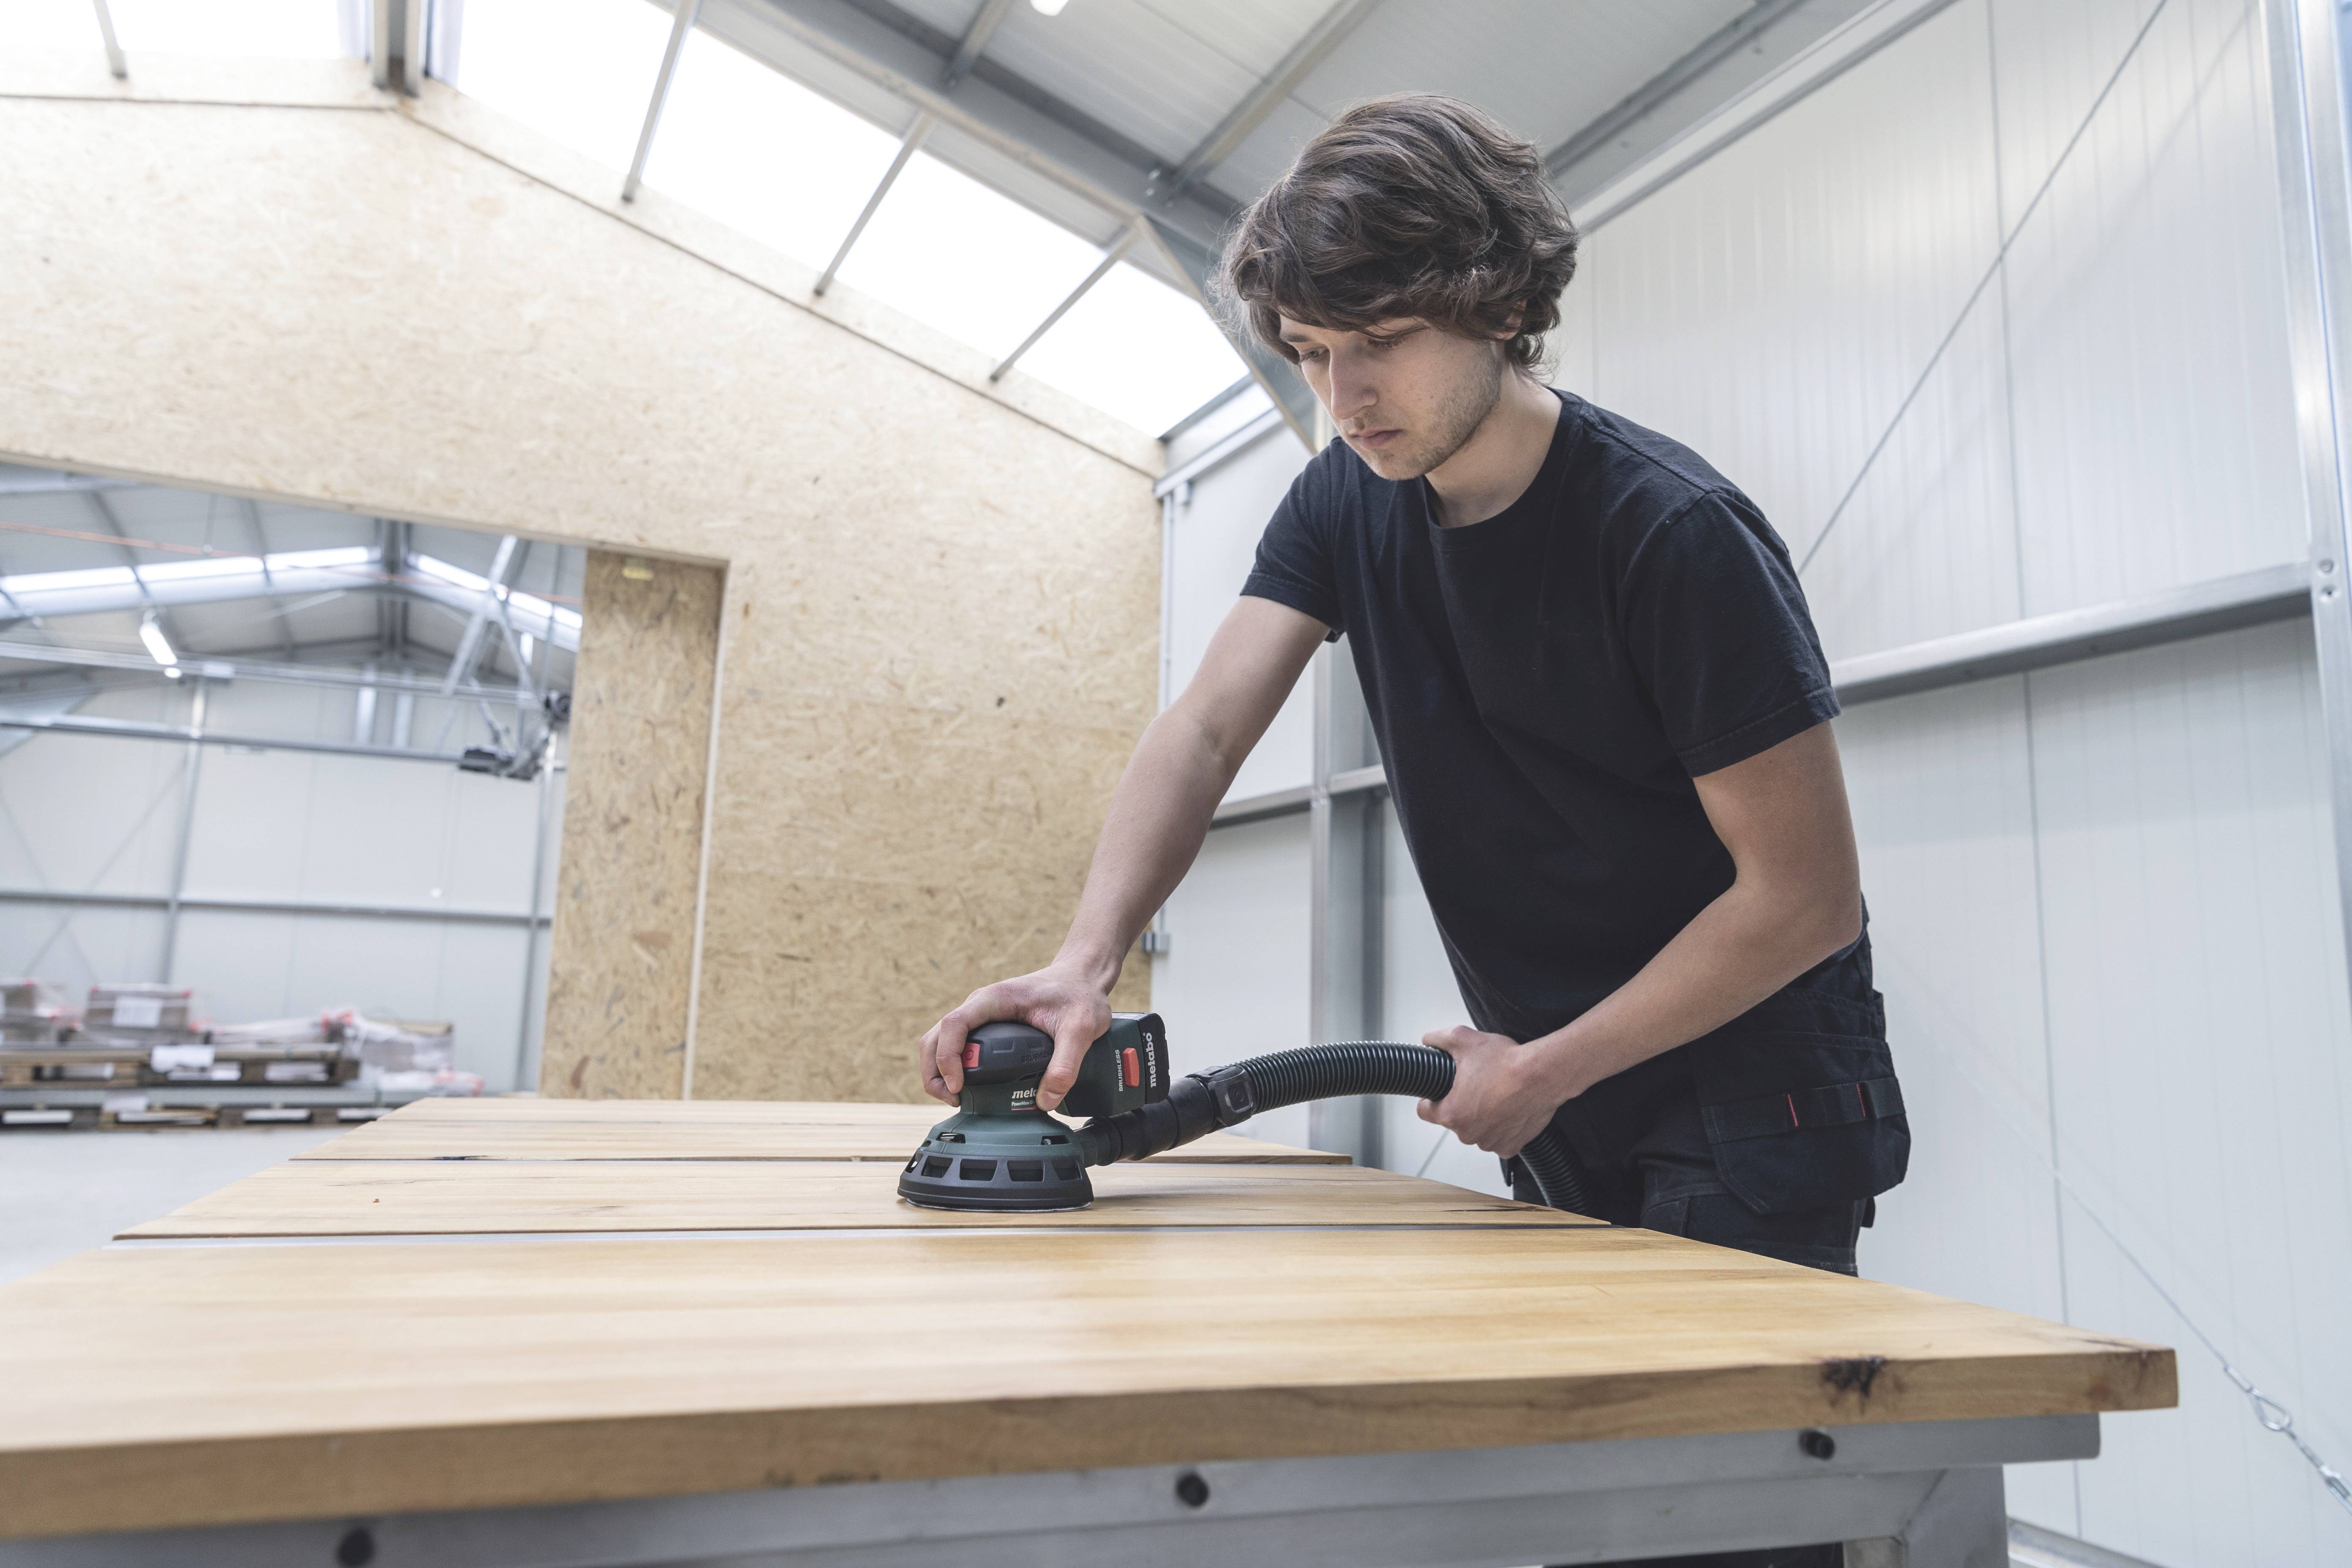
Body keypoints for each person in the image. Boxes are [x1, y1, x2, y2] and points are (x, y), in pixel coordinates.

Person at [917, 94, 1908, 1568]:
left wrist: (1552, 1066)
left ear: (1496, 299)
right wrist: (1083, 959)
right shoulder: (1345, 500)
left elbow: (1803, 901)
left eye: (1377, 341)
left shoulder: (1668, 534)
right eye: (1312, 354)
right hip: (1554, 1094)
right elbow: (1201, 731)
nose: (1345, 392)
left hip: (1743, 1113)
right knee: (1575, 1518)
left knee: (1716, 1530)